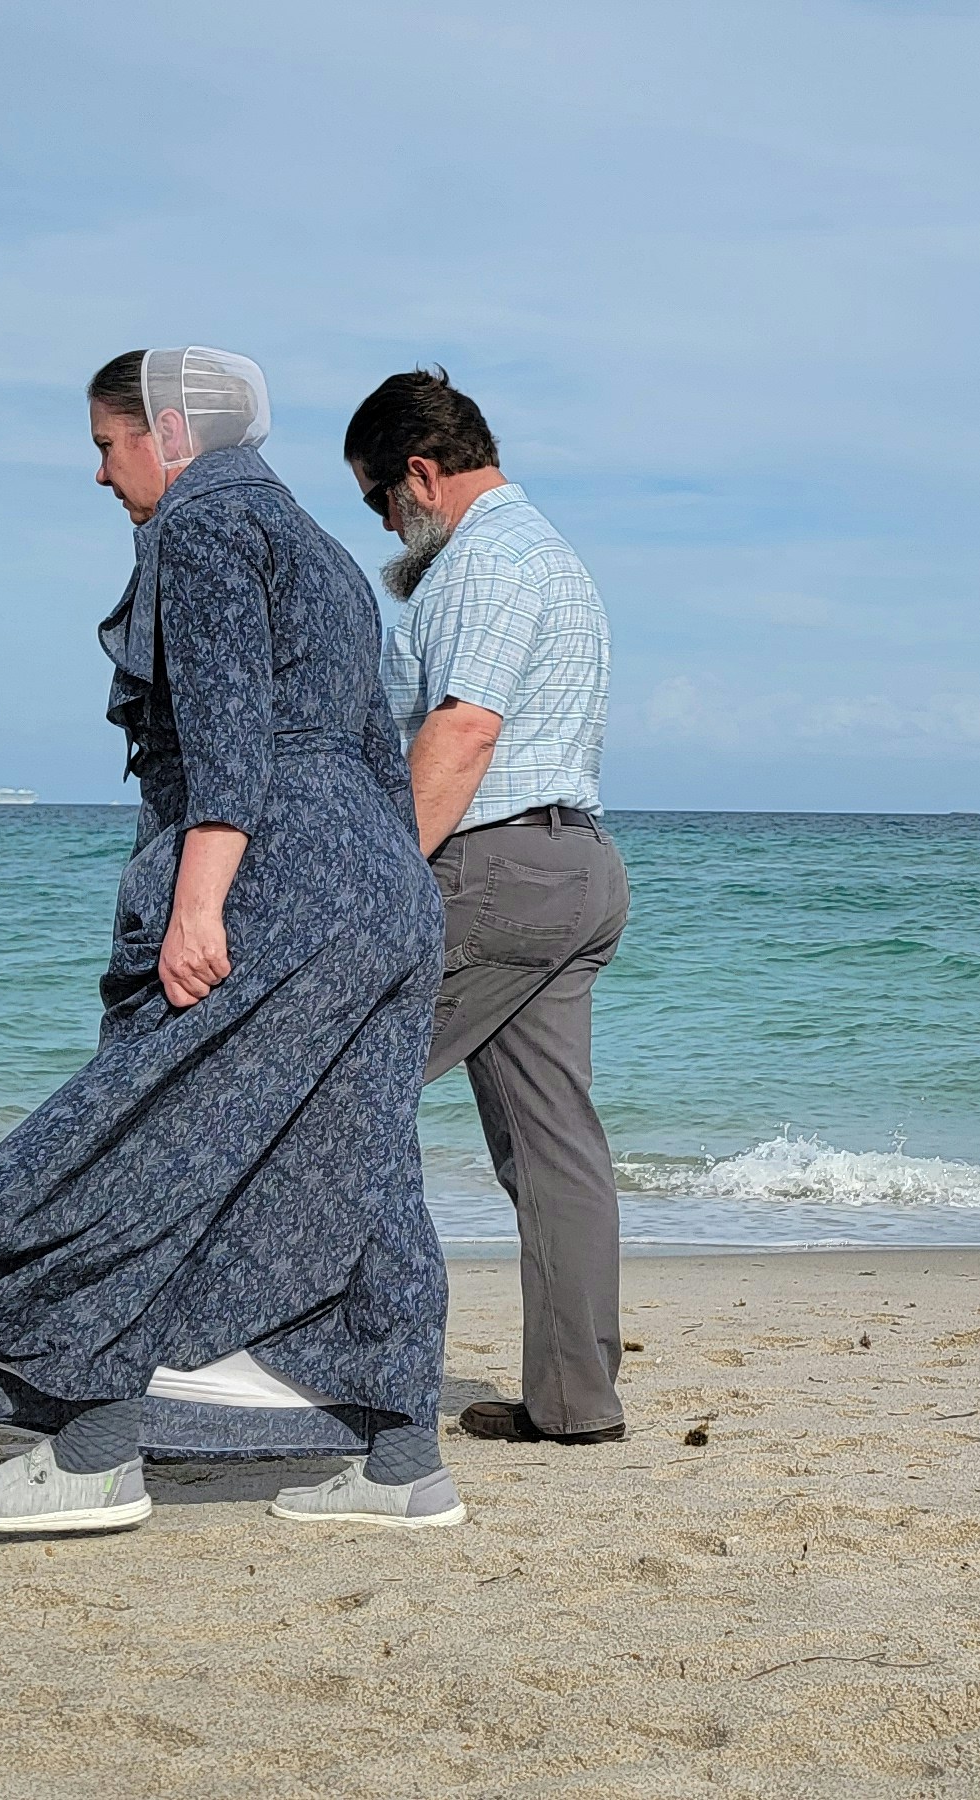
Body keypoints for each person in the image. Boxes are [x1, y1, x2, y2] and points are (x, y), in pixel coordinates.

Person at [0, 348, 467, 1532]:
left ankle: (95, 1452)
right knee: (361, 1164)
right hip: (383, 883)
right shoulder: (322, 549)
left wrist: (200, 900)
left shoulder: (203, 526)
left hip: (273, 866)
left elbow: (224, 738)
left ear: (169, 431)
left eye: (110, 446)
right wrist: (382, 896)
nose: (103, 476)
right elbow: (375, 748)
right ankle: (400, 1465)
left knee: (135, 1147)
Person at [348, 369, 630, 1446]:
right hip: (575, 868)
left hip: (495, 867)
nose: (384, 523)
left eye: (379, 499)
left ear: (420, 473)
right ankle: (574, 1405)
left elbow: (461, 733)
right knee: (554, 1151)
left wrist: (381, 878)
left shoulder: (484, 562)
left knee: (323, 1085)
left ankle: (305, 1362)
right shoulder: (551, 554)